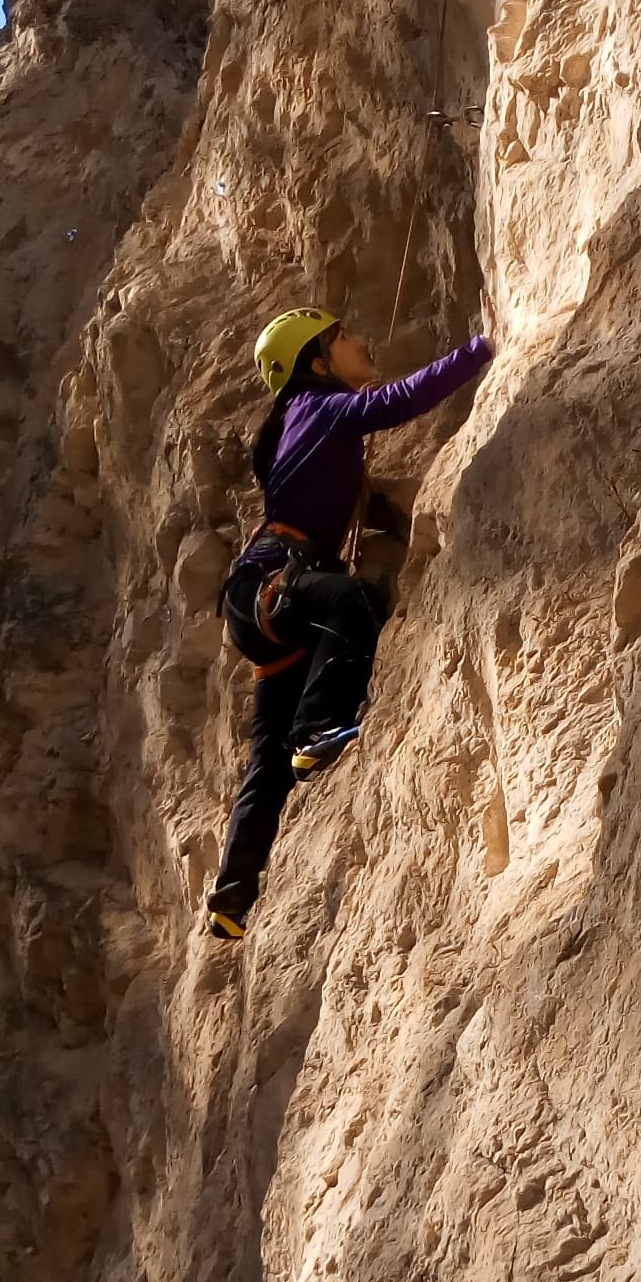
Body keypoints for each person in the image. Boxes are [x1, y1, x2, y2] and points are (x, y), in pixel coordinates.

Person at [205, 307, 494, 938]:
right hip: (275, 584)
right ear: (317, 362)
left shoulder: (305, 422)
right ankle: (318, 729)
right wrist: (482, 349)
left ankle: (232, 895)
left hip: (264, 598)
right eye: (342, 338)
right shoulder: (317, 405)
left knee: (266, 759)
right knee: (352, 601)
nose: (360, 341)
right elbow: (396, 401)